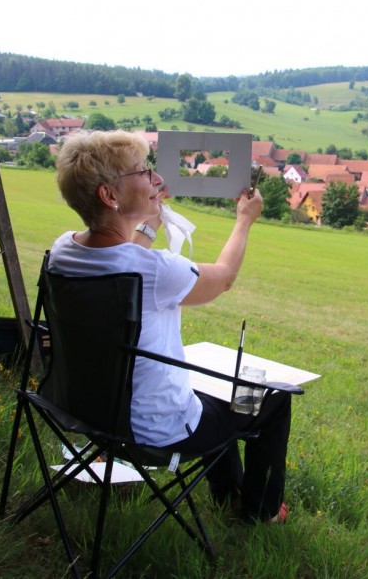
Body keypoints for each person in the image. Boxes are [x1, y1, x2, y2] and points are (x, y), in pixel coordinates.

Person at [49, 130, 291, 524]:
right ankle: (260, 511)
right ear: (110, 196)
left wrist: (146, 223)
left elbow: (124, 259)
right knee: (273, 398)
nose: (157, 180)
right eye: (143, 173)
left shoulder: (62, 251)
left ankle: (228, 492)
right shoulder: (156, 271)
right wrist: (245, 220)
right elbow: (225, 277)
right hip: (154, 432)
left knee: (211, 400)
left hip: (88, 414)